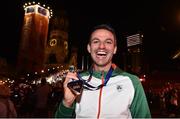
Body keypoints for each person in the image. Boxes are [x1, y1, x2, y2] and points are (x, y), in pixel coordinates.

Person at [55, 24, 151, 118]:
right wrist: (67, 103)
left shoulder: (132, 81)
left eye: (108, 42)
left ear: (114, 49)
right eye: (96, 41)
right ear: (89, 48)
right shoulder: (77, 81)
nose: (101, 46)